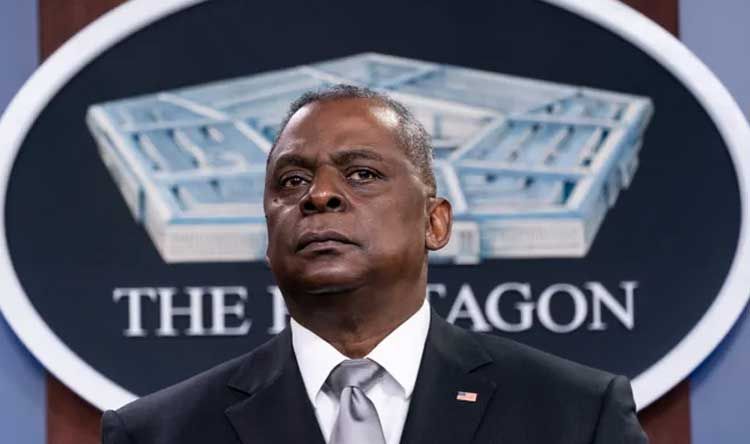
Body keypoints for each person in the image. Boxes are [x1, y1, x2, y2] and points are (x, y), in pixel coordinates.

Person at [101, 85, 648, 444]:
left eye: (361, 174)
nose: (319, 195)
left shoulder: (576, 414)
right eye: (292, 180)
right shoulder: (156, 434)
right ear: (268, 233)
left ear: (435, 222)